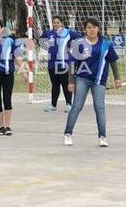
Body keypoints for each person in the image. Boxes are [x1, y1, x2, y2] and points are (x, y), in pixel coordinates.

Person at [63, 17, 121, 147]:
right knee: (77, 106)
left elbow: (113, 61)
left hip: (99, 80)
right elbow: (72, 64)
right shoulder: (78, 43)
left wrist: (117, 78)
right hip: (82, 79)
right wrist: (71, 81)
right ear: (85, 29)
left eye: (94, 27)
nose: (92, 30)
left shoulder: (106, 44)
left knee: (99, 108)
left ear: (98, 28)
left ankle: (102, 136)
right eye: (89, 27)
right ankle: (68, 133)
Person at [40, 16, 82, 113]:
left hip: (64, 64)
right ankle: (53, 105)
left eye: (57, 22)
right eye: (54, 22)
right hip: (52, 64)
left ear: (62, 23)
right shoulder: (48, 33)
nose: (55, 24)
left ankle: (68, 104)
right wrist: (48, 48)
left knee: (66, 84)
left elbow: (80, 37)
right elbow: (41, 41)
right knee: (55, 85)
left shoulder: (68, 32)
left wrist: (72, 46)